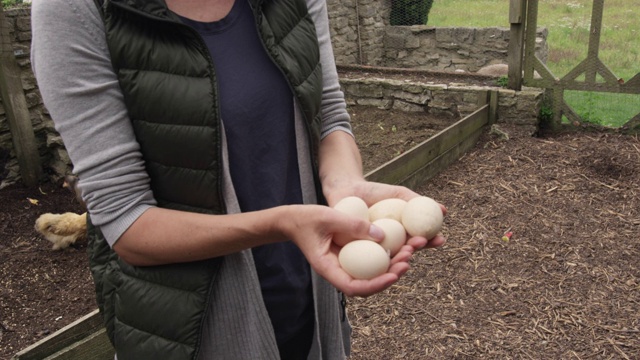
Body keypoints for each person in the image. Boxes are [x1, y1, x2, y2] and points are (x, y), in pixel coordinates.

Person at [30, 0, 447, 358]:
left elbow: (328, 113)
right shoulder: (74, 9)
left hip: (306, 293)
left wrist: (345, 187)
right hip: (189, 329)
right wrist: (280, 224)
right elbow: (127, 222)